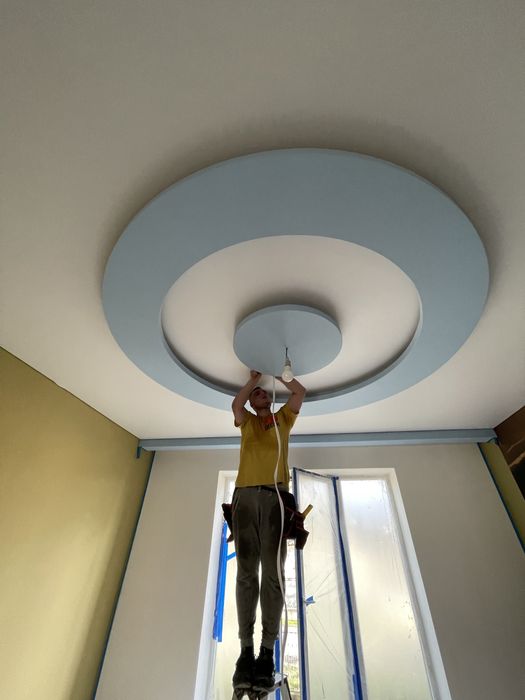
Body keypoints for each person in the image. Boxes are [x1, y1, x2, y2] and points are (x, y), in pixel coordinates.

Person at [230, 369, 306, 691]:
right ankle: (245, 651)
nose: (259, 394)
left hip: (275, 497)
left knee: (273, 573)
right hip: (245, 496)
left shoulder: (282, 420)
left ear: (271, 400)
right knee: (246, 573)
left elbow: (299, 394)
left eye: (263, 391)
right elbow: (236, 406)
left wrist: (282, 374)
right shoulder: (247, 422)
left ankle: (266, 651)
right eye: (255, 394)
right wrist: (253, 380)